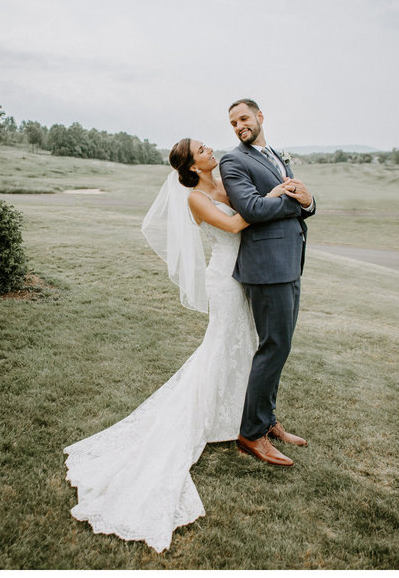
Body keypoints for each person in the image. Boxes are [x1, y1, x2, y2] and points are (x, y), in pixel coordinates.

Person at [64, 137, 289, 552]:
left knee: (245, 346)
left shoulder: (223, 179)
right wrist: (273, 195)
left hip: (244, 274)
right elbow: (239, 224)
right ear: (191, 164)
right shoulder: (195, 198)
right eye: (202, 150)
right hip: (224, 277)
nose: (210, 151)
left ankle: (248, 416)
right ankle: (226, 419)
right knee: (224, 346)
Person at [219, 99, 315, 467]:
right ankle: (251, 433)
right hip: (266, 267)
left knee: (281, 345)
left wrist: (309, 202)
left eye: (243, 118)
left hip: (289, 263)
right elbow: (253, 209)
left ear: (260, 117)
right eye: (232, 122)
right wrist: (296, 204)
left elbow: (298, 197)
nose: (238, 126)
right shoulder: (234, 161)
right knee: (273, 346)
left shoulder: (274, 154)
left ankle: (268, 419)